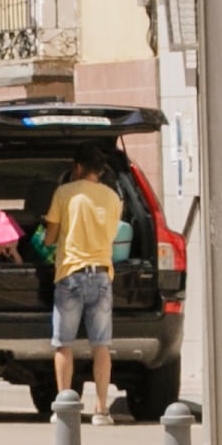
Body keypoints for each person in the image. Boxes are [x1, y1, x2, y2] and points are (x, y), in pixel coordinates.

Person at [42, 151, 130, 419]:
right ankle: (102, 409)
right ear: (101, 171)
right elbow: (114, 233)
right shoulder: (113, 197)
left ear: (77, 167)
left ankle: (64, 407)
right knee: (101, 345)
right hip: (103, 274)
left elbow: (50, 238)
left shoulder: (65, 193)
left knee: (63, 344)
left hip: (71, 273)